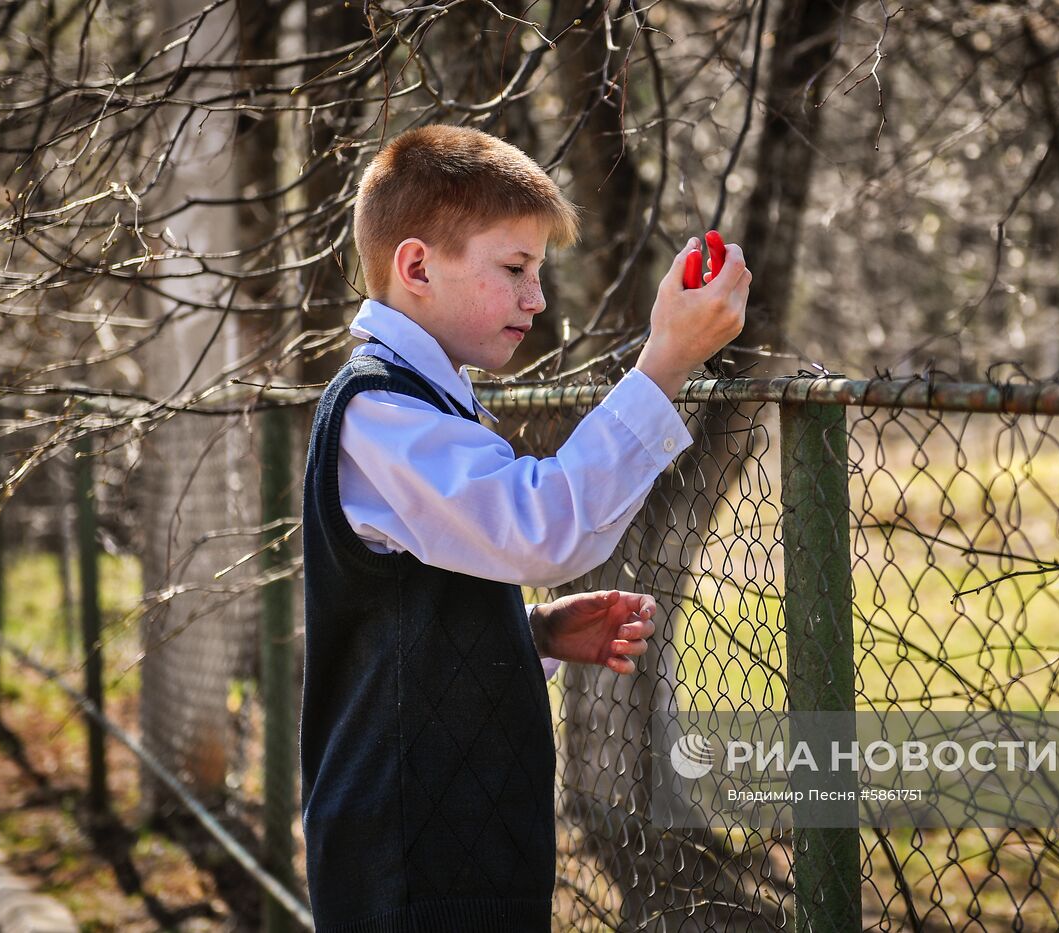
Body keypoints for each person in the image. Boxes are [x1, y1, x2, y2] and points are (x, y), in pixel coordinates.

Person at [299, 124, 752, 932]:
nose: (536, 298)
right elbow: (541, 526)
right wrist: (665, 364)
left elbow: (405, 609)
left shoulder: (422, 402)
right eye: (514, 269)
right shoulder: (382, 410)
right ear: (415, 267)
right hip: (413, 863)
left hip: (442, 847)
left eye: (538, 273)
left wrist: (528, 630)